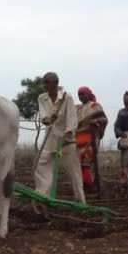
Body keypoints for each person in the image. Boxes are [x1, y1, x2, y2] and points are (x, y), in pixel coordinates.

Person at [34, 72, 86, 203]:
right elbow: (44, 117)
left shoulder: (67, 98)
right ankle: (43, 196)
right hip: (50, 141)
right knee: (41, 166)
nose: (44, 85)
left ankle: (81, 201)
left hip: (66, 142)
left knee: (74, 173)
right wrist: (48, 119)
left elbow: (72, 119)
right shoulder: (42, 98)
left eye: (47, 82)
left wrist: (68, 134)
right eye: (44, 82)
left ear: (56, 83)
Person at [75, 86, 108, 191]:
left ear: (89, 94)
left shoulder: (95, 106)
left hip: (91, 137)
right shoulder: (77, 108)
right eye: (79, 94)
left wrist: (96, 123)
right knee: (77, 162)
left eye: (82, 94)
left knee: (88, 161)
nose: (81, 96)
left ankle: (90, 183)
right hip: (78, 138)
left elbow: (103, 119)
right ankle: (82, 184)